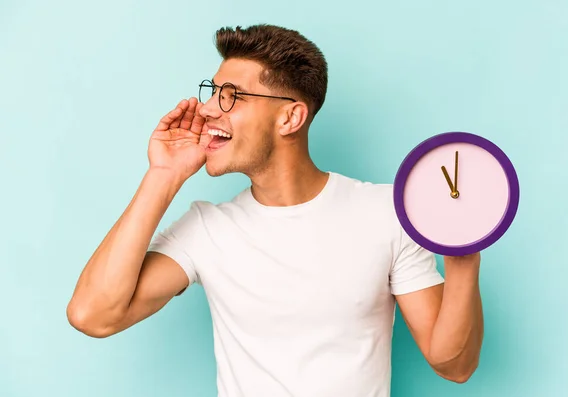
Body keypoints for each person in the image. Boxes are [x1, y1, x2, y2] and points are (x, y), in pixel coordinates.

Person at [67, 24, 484, 397]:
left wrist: (463, 258)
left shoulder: (386, 213)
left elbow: (455, 365)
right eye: (212, 93)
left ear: (290, 118)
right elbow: (92, 315)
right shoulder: (206, 229)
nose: (209, 109)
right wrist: (164, 174)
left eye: (230, 97)